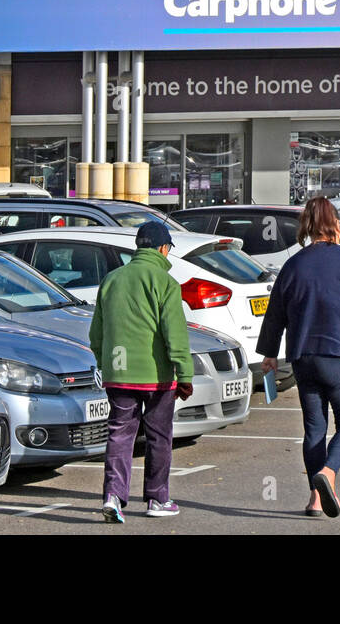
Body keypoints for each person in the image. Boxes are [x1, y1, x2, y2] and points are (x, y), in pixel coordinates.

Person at [257, 197, 340, 518]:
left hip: (304, 356)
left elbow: (275, 313)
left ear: (306, 226)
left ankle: (316, 500)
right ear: (334, 225)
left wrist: (270, 354)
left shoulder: (293, 265)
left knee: (314, 430)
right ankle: (328, 473)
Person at [89, 220, 194, 523]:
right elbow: (175, 334)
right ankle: (157, 499)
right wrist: (184, 375)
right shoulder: (165, 283)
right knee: (159, 436)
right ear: (163, 248)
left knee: (120, 434)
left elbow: (97, 333)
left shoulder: (111, 279)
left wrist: (104, 362)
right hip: (157, 376)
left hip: (118, 372)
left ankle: (113, 495)